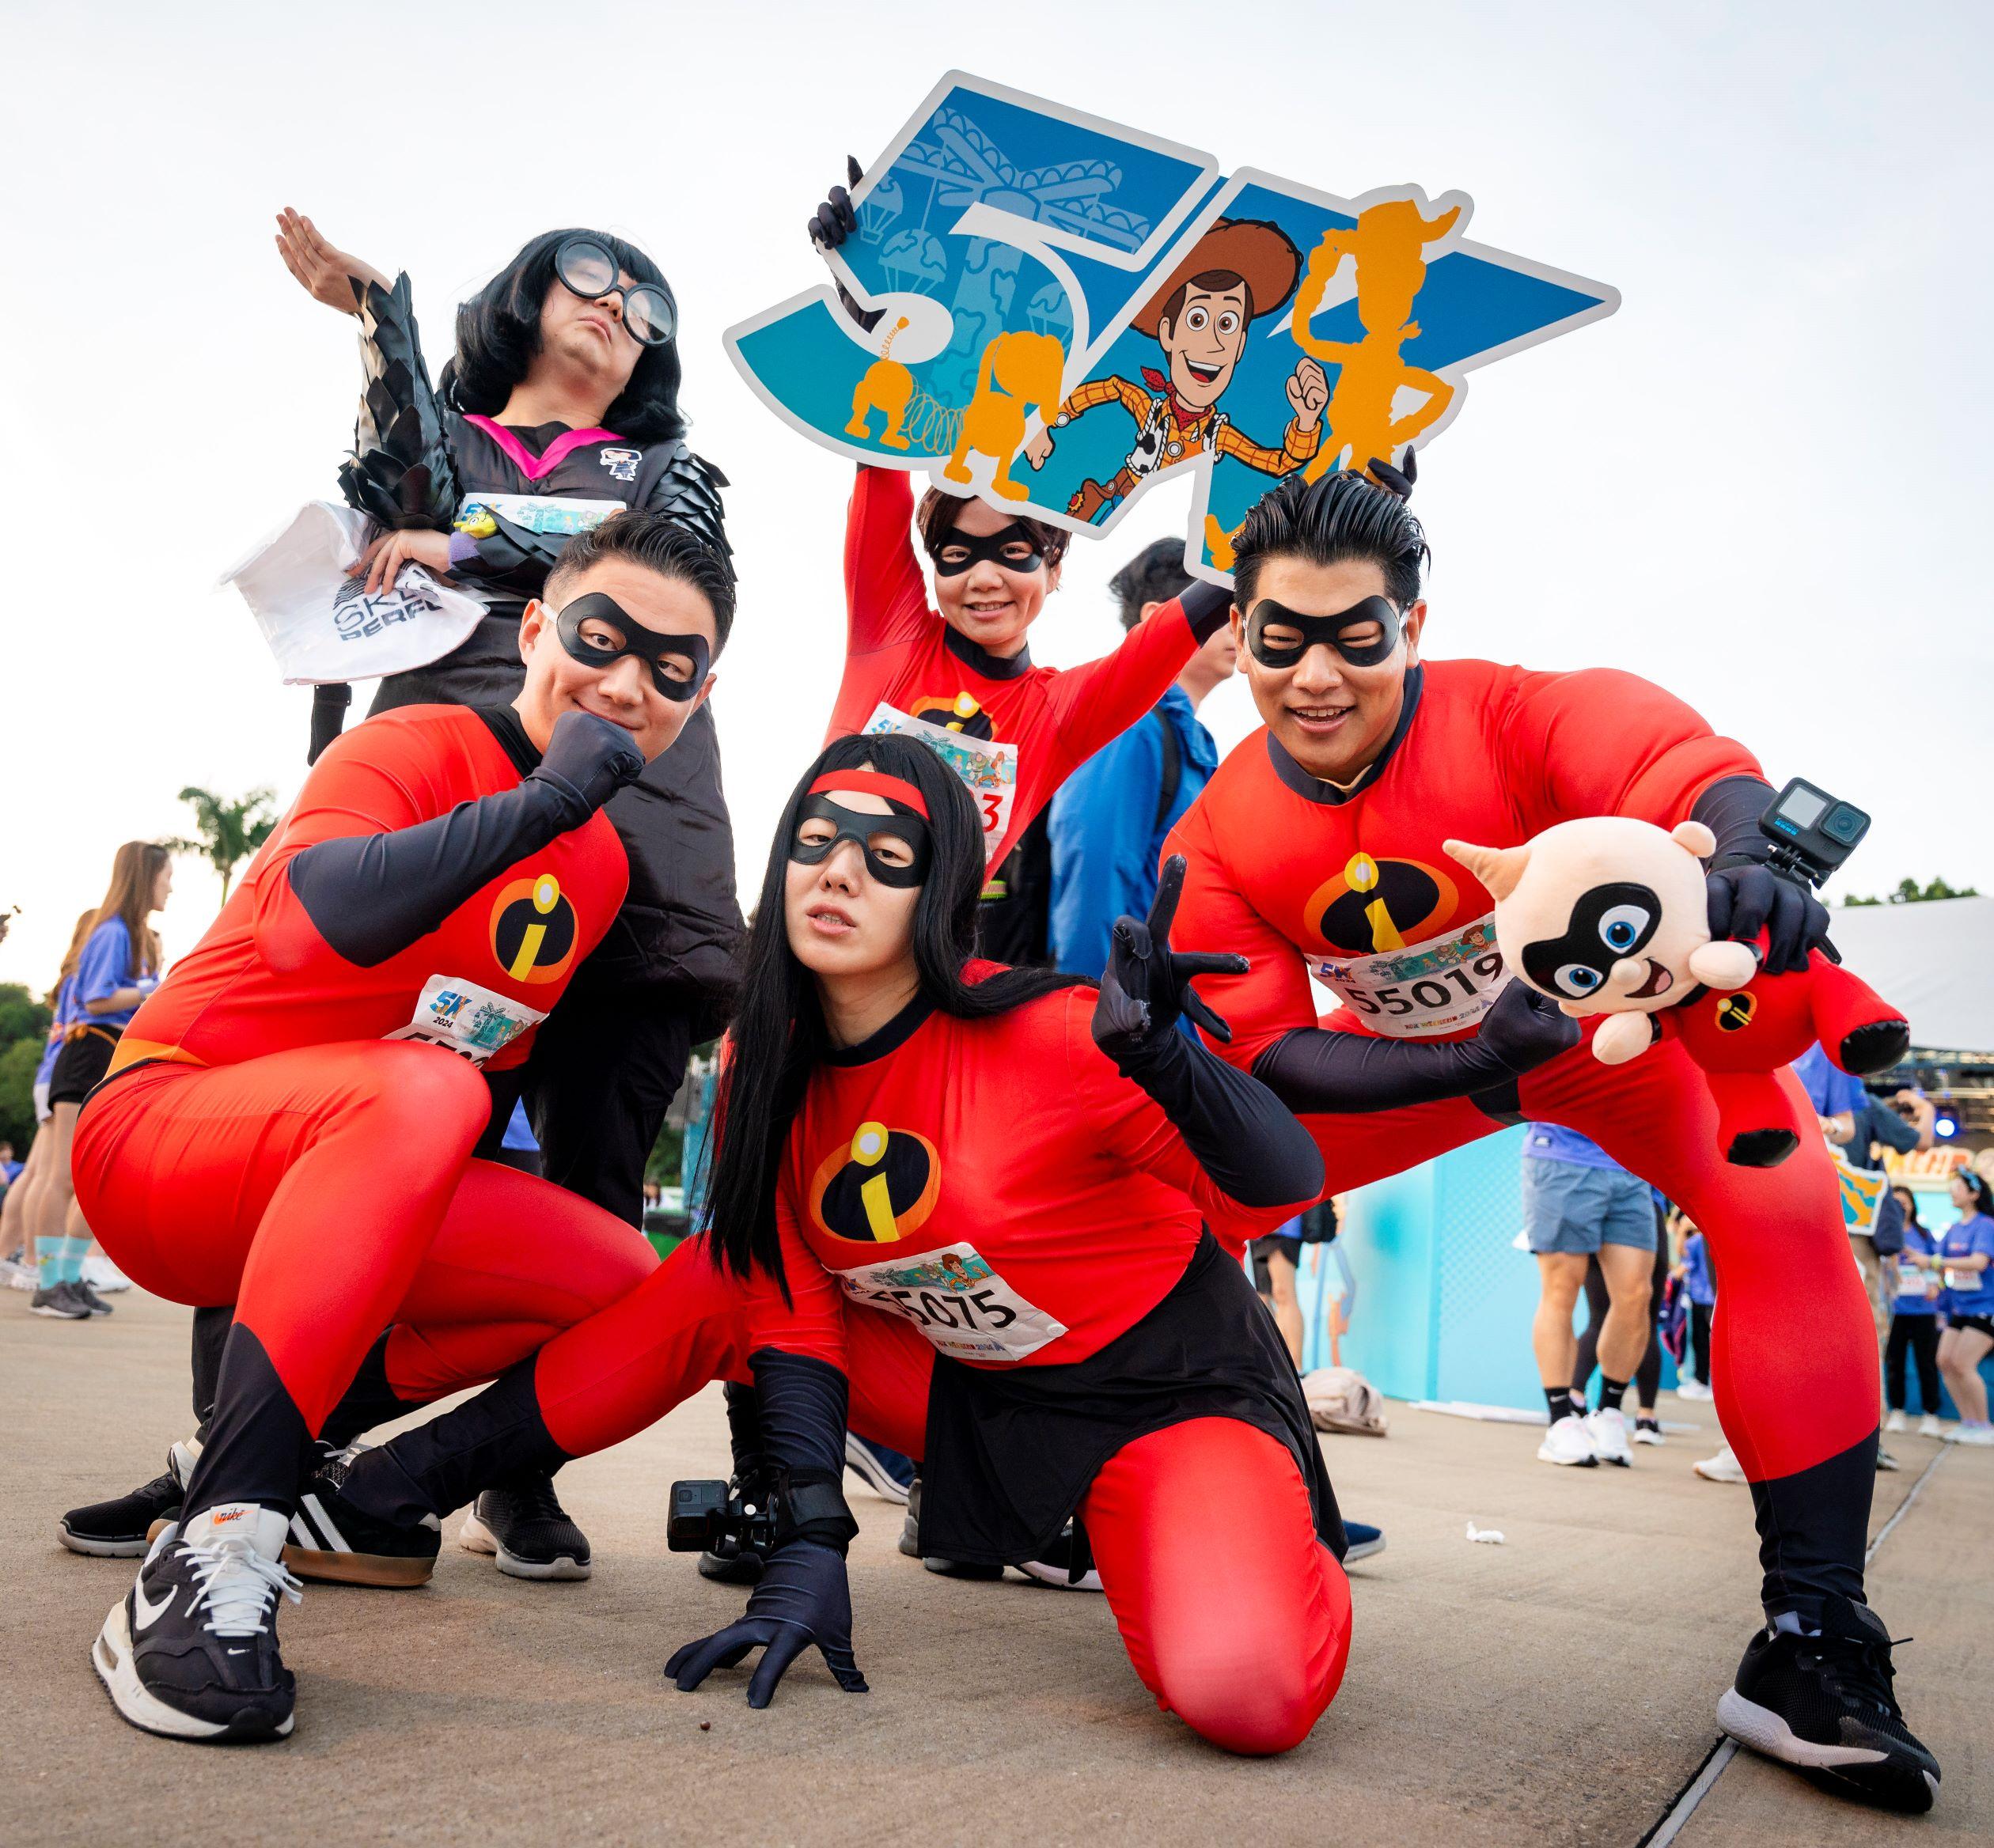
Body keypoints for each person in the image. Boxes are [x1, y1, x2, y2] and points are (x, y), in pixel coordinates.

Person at [311, 733, 1351, 1755]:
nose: (839, 872)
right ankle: (383, 1492)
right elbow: (790, 1316)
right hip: (974, 1395)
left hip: (1164, 1403)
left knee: (1246, 1695)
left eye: (887, 855)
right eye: (815, 842)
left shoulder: (1058, 1032)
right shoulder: (769, 1068)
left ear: (940, 891)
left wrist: (1172, 1062)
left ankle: (1258, 1537)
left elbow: (1282, 1182)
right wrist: (810, 1541)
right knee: (725, 1271)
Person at [1165, 468, 1939, 1811]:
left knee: (1783, 1200)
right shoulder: (1224, 825)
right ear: (1239, 634)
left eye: (1357, 637)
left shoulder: (1510, 712)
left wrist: (1752, 860)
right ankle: (1085, 1477)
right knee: (1164, 1188)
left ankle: (1813, 1633)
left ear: (1414, 624)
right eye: (1282, 640)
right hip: (1445, 1069)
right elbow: (1266, 1052)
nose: (1317, 676)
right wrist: (1471, 1058)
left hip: (1625, 1045)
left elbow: (1687, 767)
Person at [74, 510, 727, 1743]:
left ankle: (331, 1482)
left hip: (340, 1174)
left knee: (618, 1277)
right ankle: (213, 1540)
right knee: (427, 1089)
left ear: (697, 702)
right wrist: (546, 801)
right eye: (601, 639)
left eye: (671, 668)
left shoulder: (597, 873)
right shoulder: (410, 744)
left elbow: (473, 1071)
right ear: (534, 632)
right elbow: (310, 929)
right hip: (164, 1138)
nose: (626, 683)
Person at [275, 210, 740, 1229]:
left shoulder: (663, 468)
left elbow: (686, 580)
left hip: (636, 812)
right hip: (453, 775)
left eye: (646, 308)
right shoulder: (455, 445)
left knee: (595, 1184)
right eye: (589, 275)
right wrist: (379, 317)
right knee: (405, 1157)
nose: (616, 304)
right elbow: (404, 489)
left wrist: (464, 548)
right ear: (526, 294)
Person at [1048, 540, 1234, 979]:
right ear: (1157, 618)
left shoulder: (1184, 739)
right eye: (1224, 614)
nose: (1239, 629)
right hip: (1117, 1006)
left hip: (1160, 1005)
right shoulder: (1129, 728)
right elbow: (1093, 873)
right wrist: (1091, 1004)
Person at [33, 847, 172, 1320]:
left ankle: (69, 1276)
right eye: (166, 877)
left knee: (94, 1179)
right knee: (63, 1177)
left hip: (107, 1055)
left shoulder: (128, 934)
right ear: (147, 878)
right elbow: (95, 999)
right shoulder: (113, 931)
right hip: (87, 1051)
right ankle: (48, 1283)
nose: (170, 887)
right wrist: (154, 989)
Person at [1518, 1124, 1658, 1467]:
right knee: (1561, 1290)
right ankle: (1561, 1421)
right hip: (1562, 1156)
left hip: (1631, 1165)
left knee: (1637, 1295)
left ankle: (1608, 1412)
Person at [1905, 1170, 1994, 1445]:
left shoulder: (1986, 1225)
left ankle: (1984, 1425)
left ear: (1974, 1194)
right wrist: (1932, 1277)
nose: (1952, 1191)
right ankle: (1969, 1423)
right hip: (1960, 1308)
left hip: (1986, 1307)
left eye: (1958, 1187)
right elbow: (1937, 1263)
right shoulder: (1954, 1228)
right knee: (1944, 1360)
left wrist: (1934, 1262)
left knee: (1963, 1363)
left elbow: (1978, 1262)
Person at [1883, 1187, 1942, 1437]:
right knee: (1894, 1362)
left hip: (1923, 1310)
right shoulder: (1885, 1235)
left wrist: (1934, 1283)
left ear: (1912, 1206)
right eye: (1895, 1202)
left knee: (1926, 1362)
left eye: (1905, 1202)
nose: (1901, 1207)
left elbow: (1937, 1264)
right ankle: (1897, 1411)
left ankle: (1931, 1414)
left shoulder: (1924, 1234)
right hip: (1895, 1310)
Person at [1674, 1213, 1717, 1399]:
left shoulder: (1696, 1242)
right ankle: (1706, 1382)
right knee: (1709, 1343)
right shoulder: (1711, 1241)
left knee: (1701, 1342)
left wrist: (1682, 1231)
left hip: (1702, 1298)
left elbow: (1682, 1260)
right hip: (1713, 1298)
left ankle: (1702, 1382)